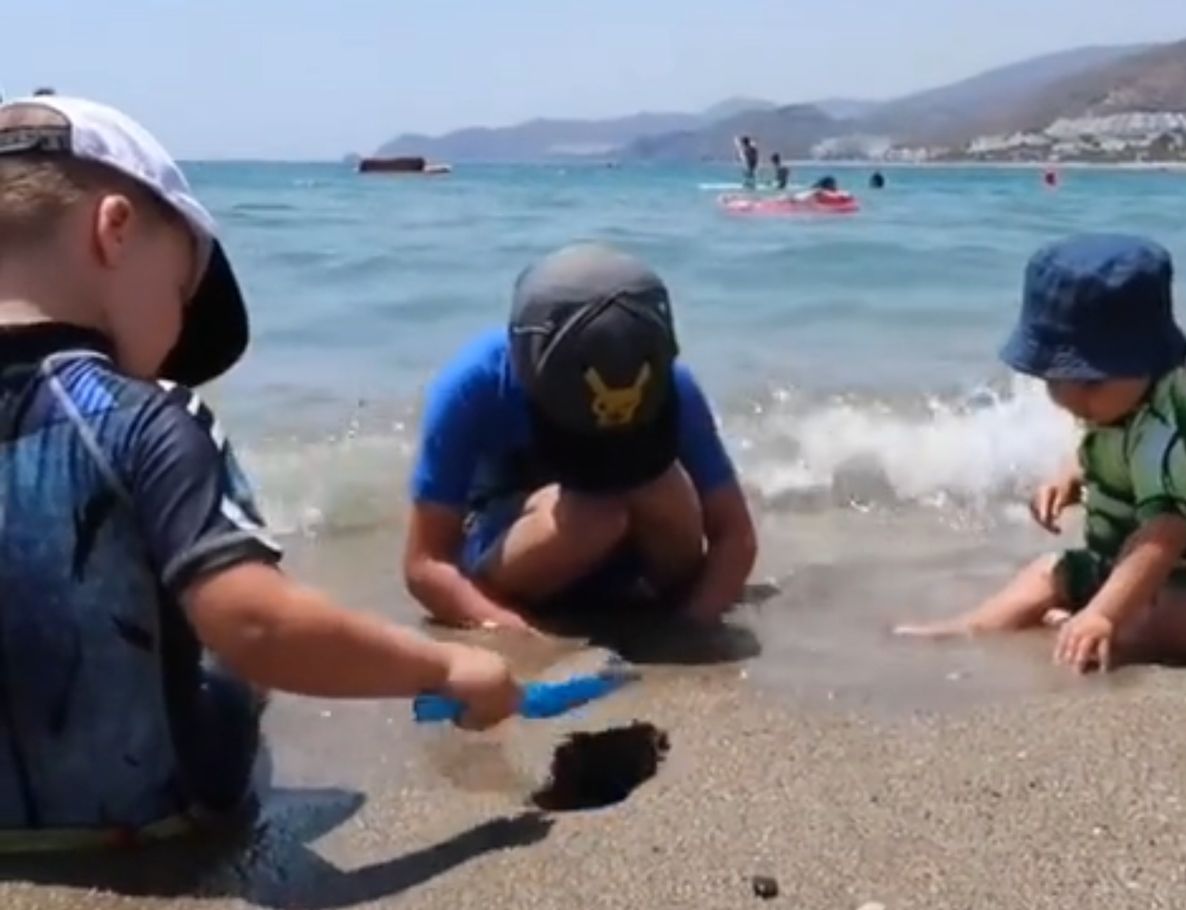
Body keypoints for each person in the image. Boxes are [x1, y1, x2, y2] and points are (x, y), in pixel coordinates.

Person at [0, 95, 519, 848]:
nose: (177, 334)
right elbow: (256, 625)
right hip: (153, 817)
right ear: (114, 231)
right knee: (233, 661)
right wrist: (446, 667)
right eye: (179, 290)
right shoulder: (147, 419)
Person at [895, 234, 1186, 672]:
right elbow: (1097, 441)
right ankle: (973, 626)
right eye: (1056, 379)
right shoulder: (1120, 398)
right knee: (1048, 570)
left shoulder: (1169, 432)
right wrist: (1069, 475)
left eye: (1090, 380)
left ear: (1147, 358)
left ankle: (1082, 624)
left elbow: (1165, 536)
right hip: (1120, 567)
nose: (1073, 397)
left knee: (1181, 626)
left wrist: (1104, 613)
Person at [404, 243, 757, 633]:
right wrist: (513, 632)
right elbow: (426, 564)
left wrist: (693, 623)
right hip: (520, 556)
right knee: (595, 516)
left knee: (661, 486)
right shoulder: (476, 384)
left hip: (638, 574)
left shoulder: (673, 388)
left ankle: (655, 604)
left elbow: (734, 535)